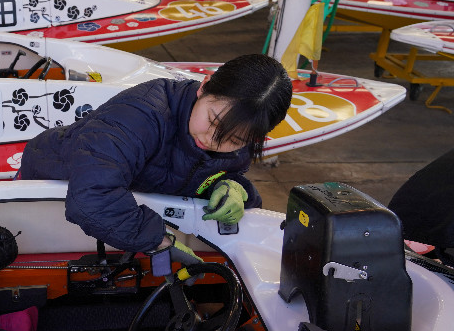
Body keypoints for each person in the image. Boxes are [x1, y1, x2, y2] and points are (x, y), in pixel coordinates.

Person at [18, 54, 292, 271]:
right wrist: (158, 241)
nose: (213, 141)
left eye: (234, 140)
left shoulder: (232, 140)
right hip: (51, 189)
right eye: (212, 121)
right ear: (204, 86)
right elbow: (91, 198)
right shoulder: (140, 114)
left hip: (122, 204)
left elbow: (200, 175)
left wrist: (232, 187)